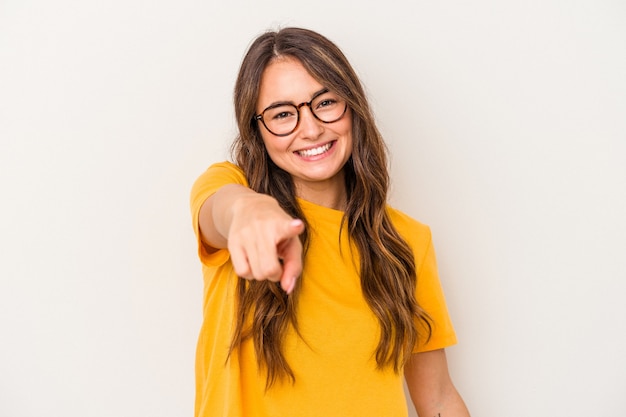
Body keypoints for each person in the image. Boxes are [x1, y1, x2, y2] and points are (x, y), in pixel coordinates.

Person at [190, 27, 470, 417]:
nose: (310, 128)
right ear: (257, 130)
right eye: (283, 114)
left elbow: (437, 397)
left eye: (325, 102)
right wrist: (249, 212)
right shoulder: (230, 189)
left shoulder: (405, 240)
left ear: (352, 107)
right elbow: (221, 211)